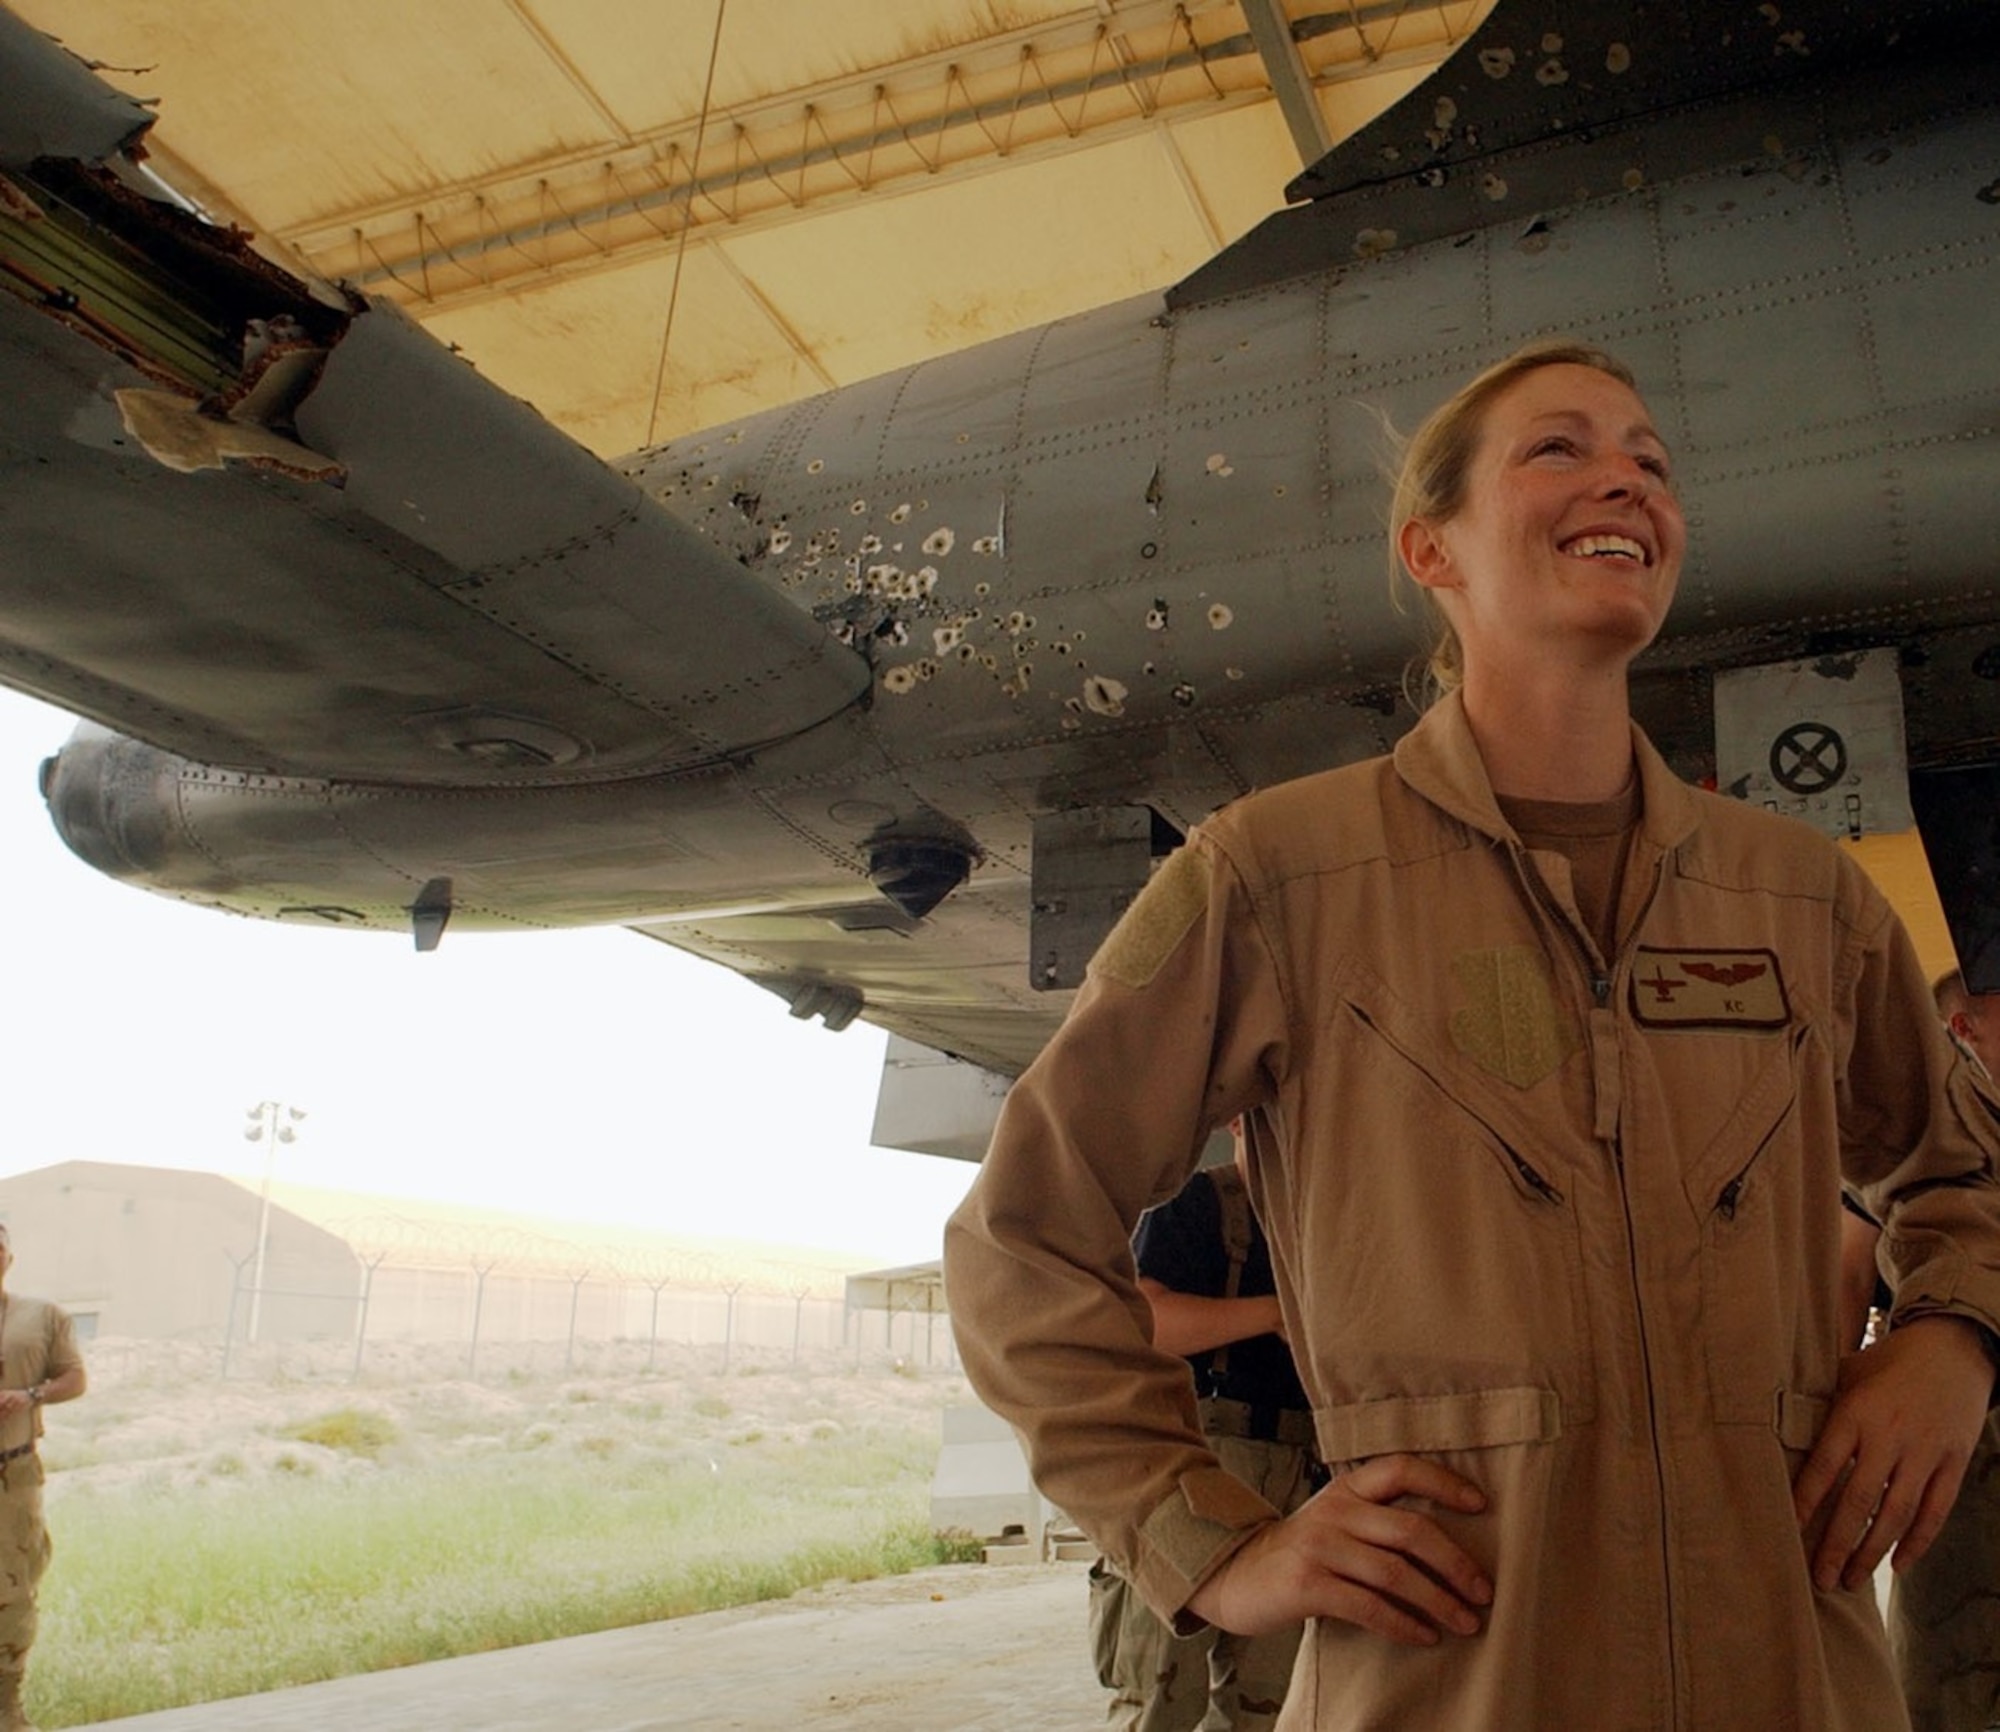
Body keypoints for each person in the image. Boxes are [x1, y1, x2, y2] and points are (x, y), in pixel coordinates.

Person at [944, 341, 2000, 1729]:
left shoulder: (1803, 897)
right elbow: (1022, 1233)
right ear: (1430, 548)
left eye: (1652, 459)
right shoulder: (1278, 875)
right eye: (1558, 447)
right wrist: (1212, 1543)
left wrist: (1953, 1336)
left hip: (1790, 1666)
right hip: (1457, 1669)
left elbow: (1957, 1171)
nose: (1625, 473)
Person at [1089, 1134, 1316, 1730]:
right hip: (1201, 1466)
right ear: (1240, 1124)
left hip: (1298, 1471)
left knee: (1266, 1701)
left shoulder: (1316, 1218)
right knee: (1162, 1694)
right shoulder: (1196, 1201)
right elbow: (1147, 1320)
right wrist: (1273, 1314)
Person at [1840, 970, 2000, 1732]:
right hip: (1967, 1473)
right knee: (1952, 1686)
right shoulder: (1911, 1147)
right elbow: (1834, 1299)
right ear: (1964, 1034)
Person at [0, 1224, 85, 1732]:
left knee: (14, 1588)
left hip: (15, 1472)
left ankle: (7, 1708)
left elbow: (75, 1378)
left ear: (8, 1256)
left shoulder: (43, 1315)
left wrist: (29, 1396)